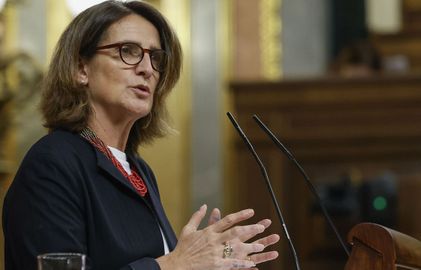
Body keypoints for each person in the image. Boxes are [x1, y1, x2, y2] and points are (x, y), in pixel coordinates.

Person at [2, 1, 280, 269]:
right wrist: (176, 264)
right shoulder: (53, 163)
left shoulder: (137, 170)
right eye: (128, 51)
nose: (147, 69)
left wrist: (217, 258)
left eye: (155, 58)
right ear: (80, 69)